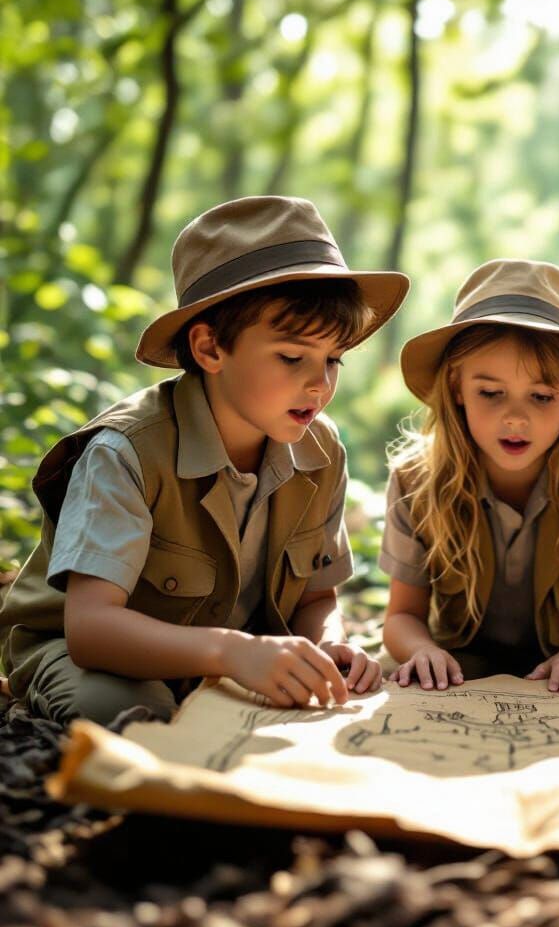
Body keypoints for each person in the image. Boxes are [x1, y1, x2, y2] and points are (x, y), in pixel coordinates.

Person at [0, 196, 409, 724]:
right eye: (292, 357)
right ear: (210, 348)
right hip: (89, 652)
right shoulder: (126, 452)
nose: (319, 383)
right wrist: (231, 653)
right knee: (134, 713)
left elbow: (317, 598)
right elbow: (92, 629)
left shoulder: (320, 449)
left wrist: (329, 646)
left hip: (236, 657)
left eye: (333, 360)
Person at [380, 258, 559, 695]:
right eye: (490, 392)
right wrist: (420, 651)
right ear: (456, 388)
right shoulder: (416, 480)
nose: (515, 418)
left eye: (542, 396)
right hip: (457, 675)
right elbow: (401, 616)